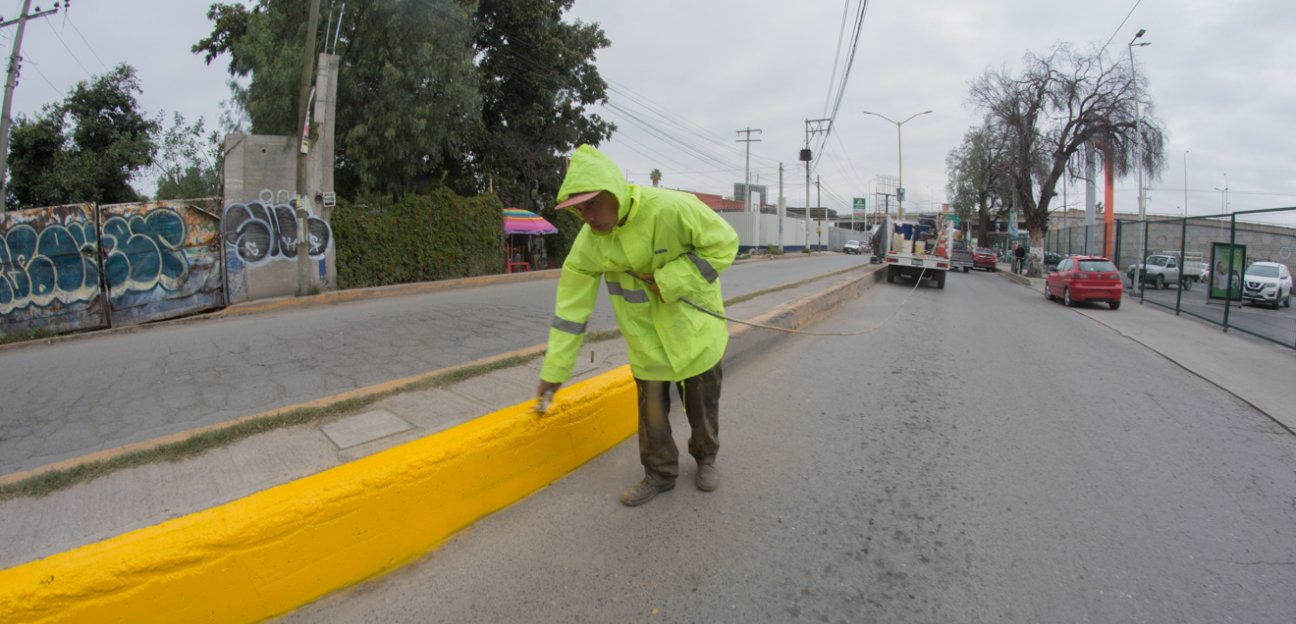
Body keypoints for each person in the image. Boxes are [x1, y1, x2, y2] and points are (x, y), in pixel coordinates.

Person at [535, 145, 739, 507]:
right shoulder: (588, 246)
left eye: (592, 205)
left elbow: (724, 243)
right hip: (647, 343)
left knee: (703, 407)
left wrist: (671, 280)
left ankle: (706, 458)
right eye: (579, 210)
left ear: (613, 192)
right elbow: (570, 311)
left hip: (695, 332)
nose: (587, 217)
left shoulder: (672, 208)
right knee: (652, 418)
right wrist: (554, 370)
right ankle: (659, 474)